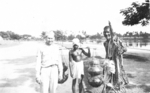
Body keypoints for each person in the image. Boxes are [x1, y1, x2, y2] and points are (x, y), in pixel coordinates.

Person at [103, 26, 128, 92]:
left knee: (118, 83)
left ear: (111, 33)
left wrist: (118, 46)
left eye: (108, 32)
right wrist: (105, 64)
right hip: (109, 65)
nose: (106, 34)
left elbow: (125, 49)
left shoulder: (117, 40)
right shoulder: (105, 43)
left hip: (116, 66)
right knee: (107, 83)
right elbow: (107, 54)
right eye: (105, 32)